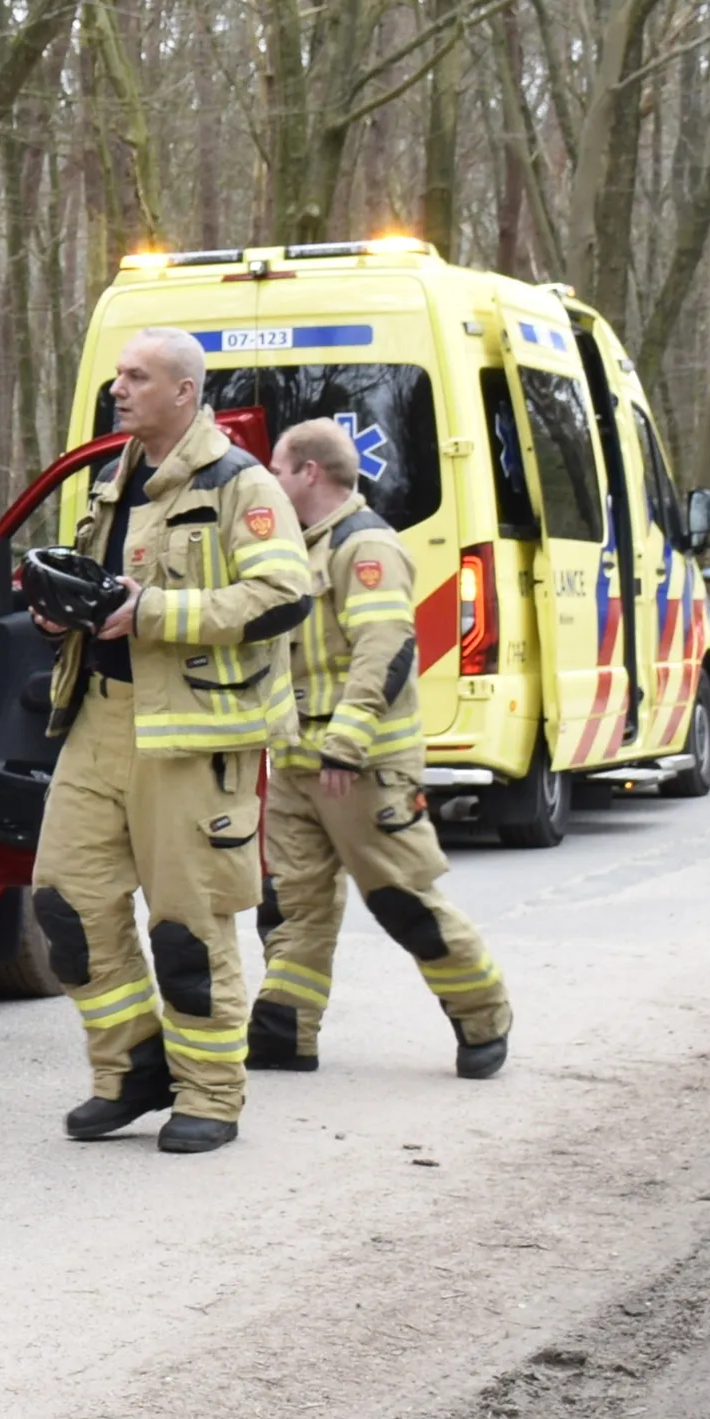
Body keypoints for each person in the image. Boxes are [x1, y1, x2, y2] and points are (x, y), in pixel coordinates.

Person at [30, 327, 314, 1154]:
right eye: (118, 376)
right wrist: (64, 615)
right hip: (101, 719)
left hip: (195, 739)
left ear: (184, 391)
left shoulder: (240, 485)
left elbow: (284, 594)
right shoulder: (114, 482)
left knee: (189, 927)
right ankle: (131, 1069)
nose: (119, 389)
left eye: (138, 377)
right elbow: (107, 590)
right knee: (65, 901)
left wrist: (154, 613)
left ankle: (211, 1094)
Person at [249, 417, 513, 1079]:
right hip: (298, 763)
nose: (271, 482)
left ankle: (484, 1015)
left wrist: (347, 740)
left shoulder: (365, 547)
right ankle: (286, 1027)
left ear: (309, 471)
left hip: (360, 767)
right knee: (292, 905)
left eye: (278, 469)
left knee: (403, 899)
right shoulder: (298, 549)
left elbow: (386, 647)